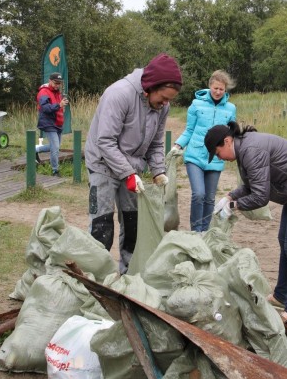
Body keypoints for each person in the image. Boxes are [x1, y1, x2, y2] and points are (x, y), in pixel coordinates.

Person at [205, 121, 287, 328]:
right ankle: (281, 295)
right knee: (285, 241)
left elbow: (260, 196)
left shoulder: (250, 150)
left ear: (227, 141)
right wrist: (229, 196)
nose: (219, 158)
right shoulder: (244, 148)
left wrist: (234, 205)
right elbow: (252, 183)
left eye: (217, 153)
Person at [84, 53, 182, 274]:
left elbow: (156, 143)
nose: (165, 104)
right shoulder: (118, 95)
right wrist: (127, 173)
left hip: (132, 169)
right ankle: (97, 276)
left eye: (169, 100)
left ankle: (128, 273)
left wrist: (158, 170)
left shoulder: (161, 106)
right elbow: (105, 141)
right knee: (102, 224)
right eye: (163, 98)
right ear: (150, 87)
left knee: (133, 223)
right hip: (102, 165)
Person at [172, 70, 237, 232]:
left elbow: (232, 135)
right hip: (195, 155)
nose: (218, 92)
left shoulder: (230, 109)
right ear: (210, 86)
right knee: (199, 194)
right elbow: (189, 130)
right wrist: (178, 145)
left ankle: (206, 231)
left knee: (209, 198)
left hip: (216, 158)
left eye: (221, 89)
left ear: (225, 90)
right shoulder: (196, 105)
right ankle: (196, 231)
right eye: (215, 88)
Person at [35, 72, 68, 176]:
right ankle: (55, 171)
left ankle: (34, 149)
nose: (57, 85)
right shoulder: (43, 92)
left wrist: (63, 105)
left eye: (59, 83)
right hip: (48, 123)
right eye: (55, 82)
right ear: (50, 81)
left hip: (58, 122)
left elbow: (59, 107)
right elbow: (45, 108)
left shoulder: (57, 92)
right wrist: (59, 105)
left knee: (55, 147)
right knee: (55, 149)